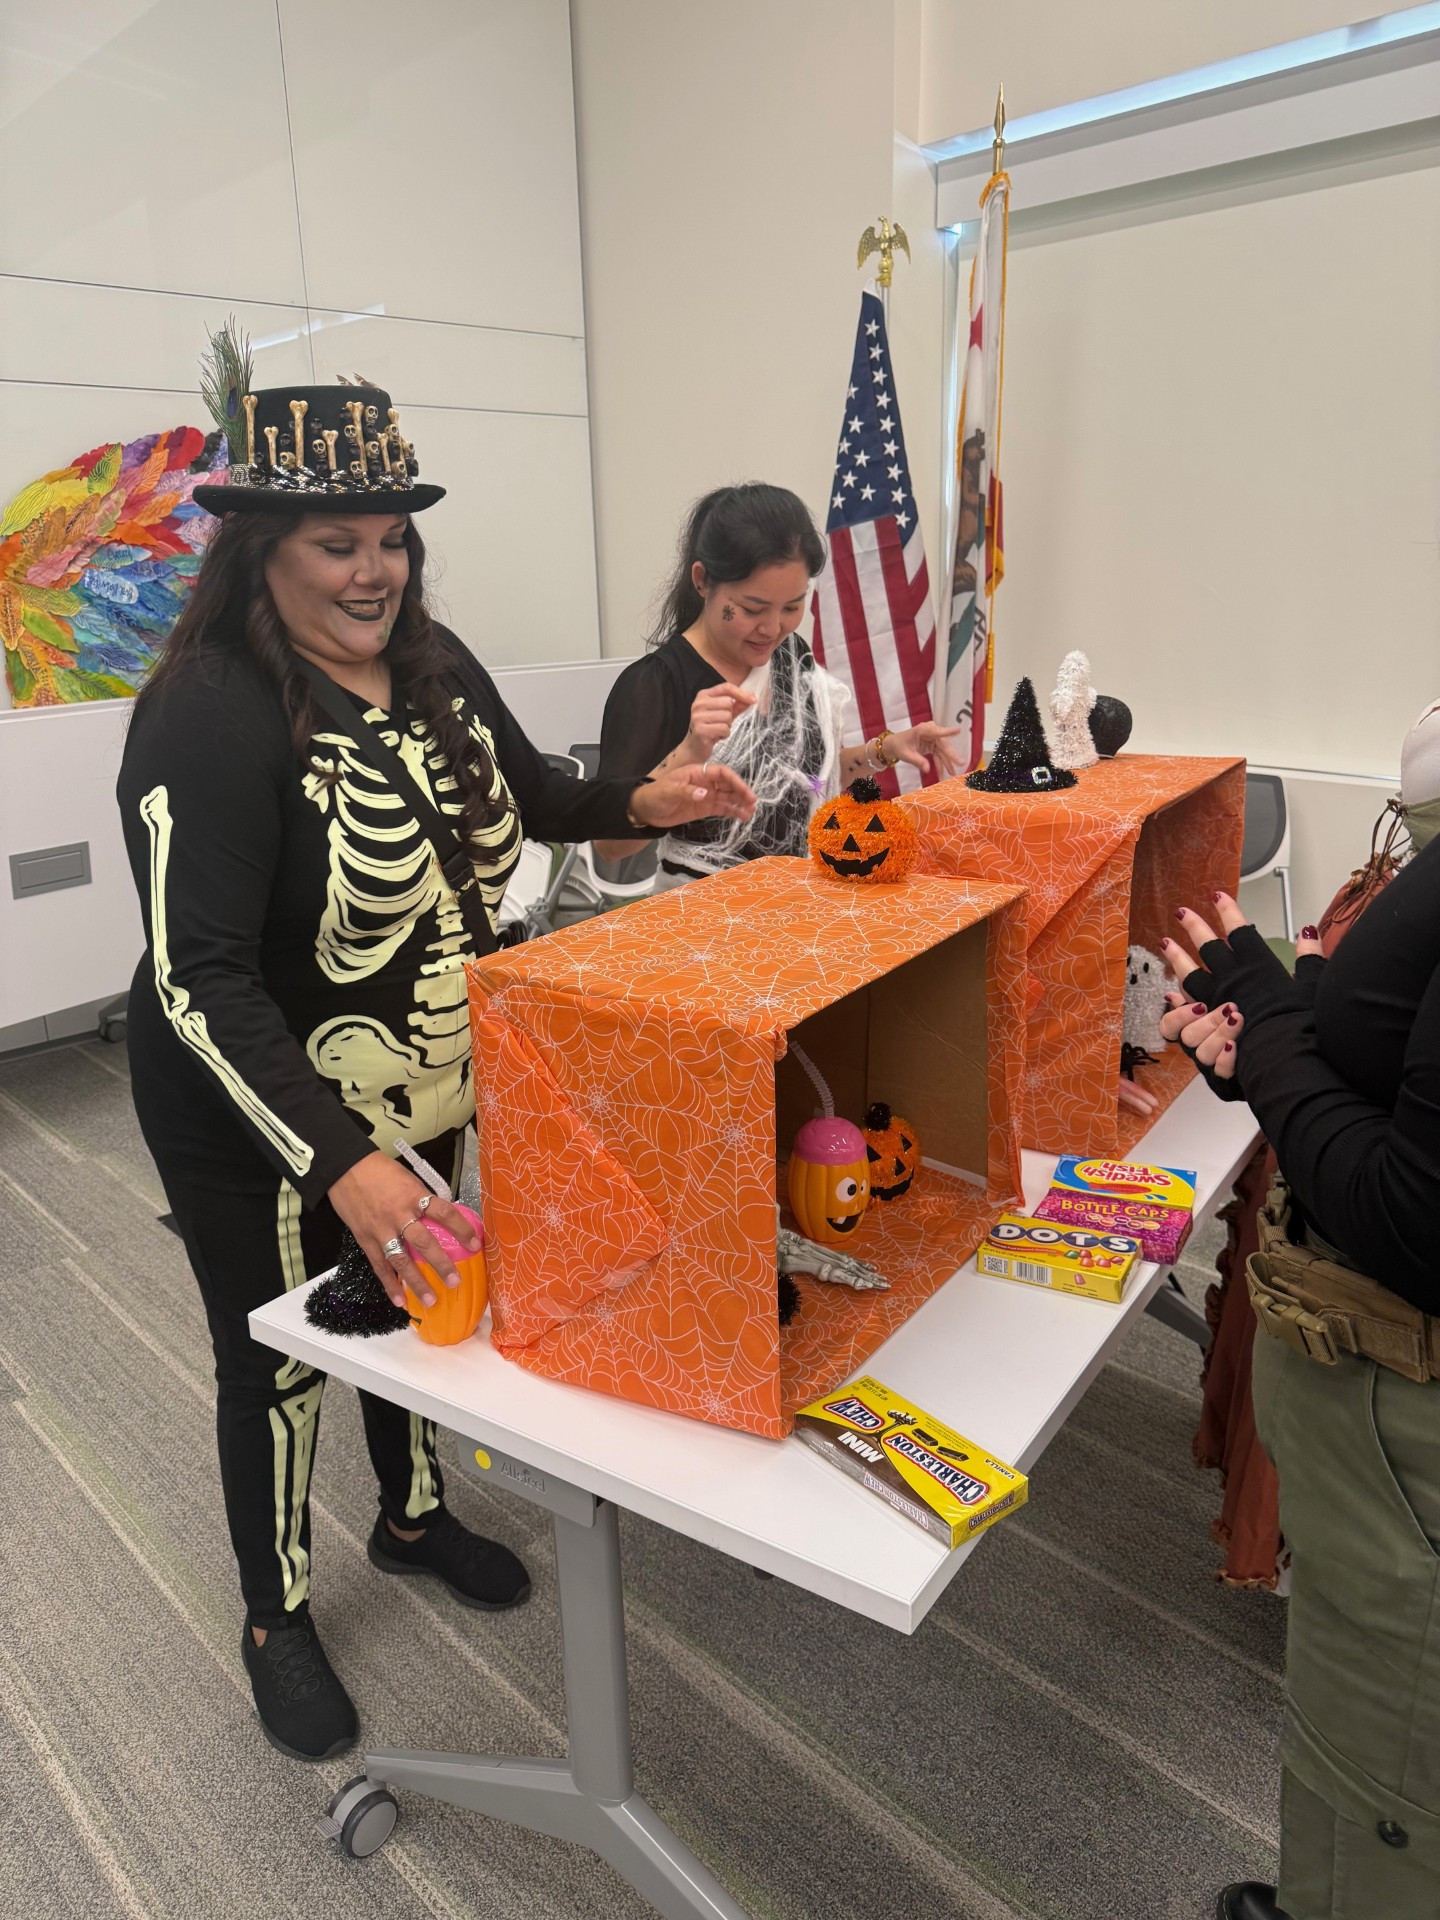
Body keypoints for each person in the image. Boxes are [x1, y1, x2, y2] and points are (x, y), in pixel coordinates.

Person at [117, 380, 754, 1765]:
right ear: (261, 550)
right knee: (275, 1360)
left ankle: (410, 1515)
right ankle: (275, 1614)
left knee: (419, 1304)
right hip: (264, 1109)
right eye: (337, 543)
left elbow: (540, 795)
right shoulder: (205, 713)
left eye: (393, 539)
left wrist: (649, 797)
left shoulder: (433, 660)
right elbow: (197, 978)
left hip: (423, 1074)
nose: (376, 571)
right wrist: (340, 1162)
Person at [1158, 850, 1440, 1920]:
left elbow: (1418, 1222)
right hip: (1375, 1431)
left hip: (1407, 1428)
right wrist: (1297, 1040)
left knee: (1394, 1776)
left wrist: (1279, 1034)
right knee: (1360, 1739)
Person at [594, 483, 963, 881]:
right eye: (752, 608)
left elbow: (807, 782)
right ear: (702, 580)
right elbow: (611, 845)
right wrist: (691, 750)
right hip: (700, 909)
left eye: (792, 606)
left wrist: (885, 749)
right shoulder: (655, 685)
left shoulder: (791, 657)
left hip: (793, 901)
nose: (772, 629)